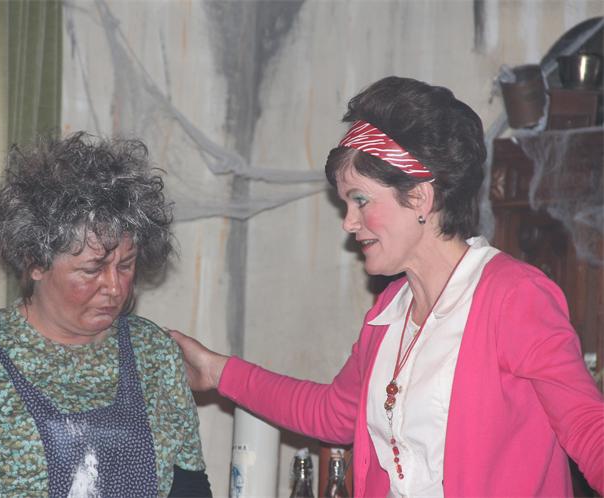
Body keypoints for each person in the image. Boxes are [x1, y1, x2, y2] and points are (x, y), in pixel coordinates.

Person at [170, 76, 604, 498]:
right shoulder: (390, 311)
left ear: (419, 197)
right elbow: (332, 414)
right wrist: (217, 371)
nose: (349, 222)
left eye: (360, 200)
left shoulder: (513, 296)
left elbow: (587, 428)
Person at [0, 133, 212, 498]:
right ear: (35, 263)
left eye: (125, 265)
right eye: (92, 269)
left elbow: (188, 487)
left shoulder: (154, 353)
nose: (115, 287)